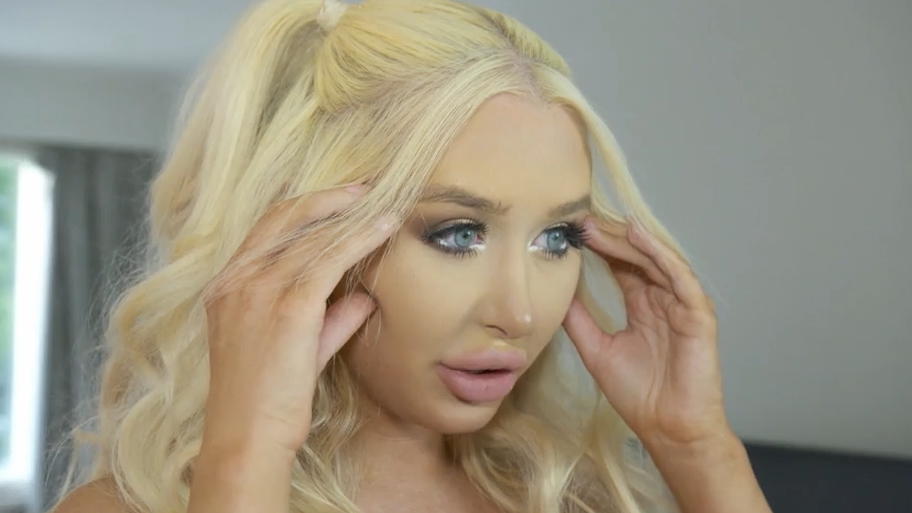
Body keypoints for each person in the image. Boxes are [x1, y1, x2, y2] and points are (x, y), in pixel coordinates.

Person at [49, 0, 773, 512]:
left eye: (557, 239)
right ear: (304, 237)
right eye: (458, 233)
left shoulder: (579, 499)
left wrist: (698, 446)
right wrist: (248, 456)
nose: (521, 312)